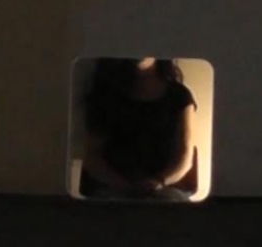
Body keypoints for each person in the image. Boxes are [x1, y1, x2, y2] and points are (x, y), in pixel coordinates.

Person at [80, 57, 196, 201]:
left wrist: (159, 182)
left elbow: (184, 156)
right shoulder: (106, 94)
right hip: (112, 187)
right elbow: (92, 156)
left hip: (165, 187)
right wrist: (122, 185)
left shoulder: (179, 95)